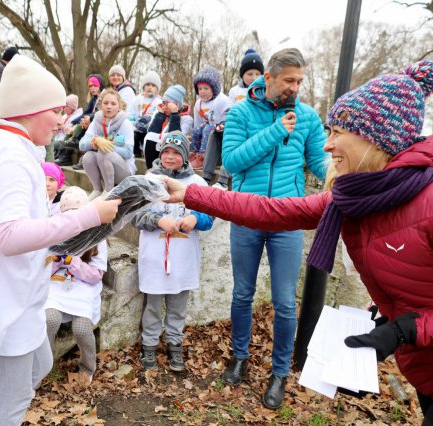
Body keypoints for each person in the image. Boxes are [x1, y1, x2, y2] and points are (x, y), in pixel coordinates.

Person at [162, 60, 433, 424]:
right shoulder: (355, 199)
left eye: (338, 132)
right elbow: (271, 211)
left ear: (375, 137)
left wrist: (408, 329)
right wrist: (193, 194)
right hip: (431, 371)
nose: (327, 145)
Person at [0, 55, 120, 425]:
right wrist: (87, 215)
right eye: (55, 111)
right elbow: (9, 236)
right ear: (29, 110)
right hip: (2, 299)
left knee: (40, 363)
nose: (62, 121)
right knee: (12, 401)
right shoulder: (9, 156)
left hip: (10, 294)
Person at [217, 48, 328, 408]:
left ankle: (279, 372)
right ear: (268, 78)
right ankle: (240, 357)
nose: (295, 87)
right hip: (247, 216)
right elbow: (232, 162)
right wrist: (275, 131)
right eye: (289, 80)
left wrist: (343, 175)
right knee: (242, 294)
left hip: (287, 218)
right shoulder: (240, 113)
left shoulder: (309, 117)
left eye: (300, 81)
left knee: (284, 302)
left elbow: (317, 163)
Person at [132, 131, 213, 371]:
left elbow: (209, 218)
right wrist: (158, 221)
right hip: (155, 255)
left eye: (176, 153)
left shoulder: (197, 184)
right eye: (166, 151)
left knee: (178, 304)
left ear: (185, 156)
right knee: (153, 304)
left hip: (183, 257)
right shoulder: (146, 179)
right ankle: (149, 346)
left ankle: (174, 346)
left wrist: (195, 219)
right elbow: (134, 215)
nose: (169, 157)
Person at [44, 187, 108, 385]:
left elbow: (96, 275)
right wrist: (56, 261)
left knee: (81, 328)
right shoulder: (53, 232)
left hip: (83, 286)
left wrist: (75, 263)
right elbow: (41, 267)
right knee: (49, 319)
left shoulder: (97, 238)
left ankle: (87, 366)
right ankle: (43, 365)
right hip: (55, 285)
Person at [207, 49, 265, 190]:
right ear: (243, 75)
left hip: (252, 129)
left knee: (237, 140)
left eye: (257, 74)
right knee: (214, 134)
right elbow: (230, 111)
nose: (253, 77)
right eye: (249, 74)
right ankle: (206, 176)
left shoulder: (264, 92)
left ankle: (222, 180)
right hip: (234, 124)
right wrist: (223, 124)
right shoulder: (234, 91)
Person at [79, 88, 135, 200]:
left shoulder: (126, 123)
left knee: (104, 151)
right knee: (88, 157)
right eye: (106, 103)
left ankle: (109, 190)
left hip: (124, 169)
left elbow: (128, 153)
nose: (109, 106)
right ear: (100, 105)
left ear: (119, 106)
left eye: (113, 103)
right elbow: (82, 144)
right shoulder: (97, 121)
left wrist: (107, 146)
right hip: (105, 165)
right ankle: (97, 189)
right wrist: (94, 142)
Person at [56, 75, 105, 168]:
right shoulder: (94, 98)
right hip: (92, 121)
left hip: (100, 123)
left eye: (95, 85)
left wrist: (88, 119)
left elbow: (100, 112)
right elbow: (86, 112)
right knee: (77, 126)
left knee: (82, 126)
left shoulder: (104, 96)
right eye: (90, 86)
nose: (92, 88)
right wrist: (72, 123)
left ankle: (76, 144)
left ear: (100, 85)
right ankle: (64, 155)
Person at [190, 65, 231, 170]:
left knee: (208, 129)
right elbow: (197, 123)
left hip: (221, 131)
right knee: (196, 129)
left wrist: (219, 127)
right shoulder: (198, 104)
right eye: (200, 89)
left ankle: (204, 156)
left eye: (206, 88)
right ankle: (195, 154)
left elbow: (229, 119)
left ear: (214, 88)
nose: (202, 91)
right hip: (207, 129)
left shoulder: (223, 100)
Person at [143, 85, 193, 170]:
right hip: (159, 150)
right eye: (164, 103)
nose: (165, 106)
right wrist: (160, 115)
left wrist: (174, 114)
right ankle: (151, 170)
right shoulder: (160, 113)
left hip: (175, 152)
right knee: (150, 137)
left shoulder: (186, 119)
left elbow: (176, 138)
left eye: (168, 104)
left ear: (176, 105)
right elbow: (151, 134)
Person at [128, 70, 162, 158]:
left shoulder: (159, 102)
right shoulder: (136, 100)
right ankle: (136, 152)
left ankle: (148, 153)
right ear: (143, 86)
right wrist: (135, 124)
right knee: (132, 134)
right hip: (136, 129)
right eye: (147, 84)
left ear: (157, 88)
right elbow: (129, 115)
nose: (150, 87)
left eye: (153, 85)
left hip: (150, 131)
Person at [47, 95, 82, 163]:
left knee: (51, 144)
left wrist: (62, 127)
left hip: (65, 140)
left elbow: (70, 132)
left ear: (72, 107)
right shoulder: (65, 115)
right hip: (58, 138)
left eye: (66, 106)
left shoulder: (78, 116)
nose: (64, 108)